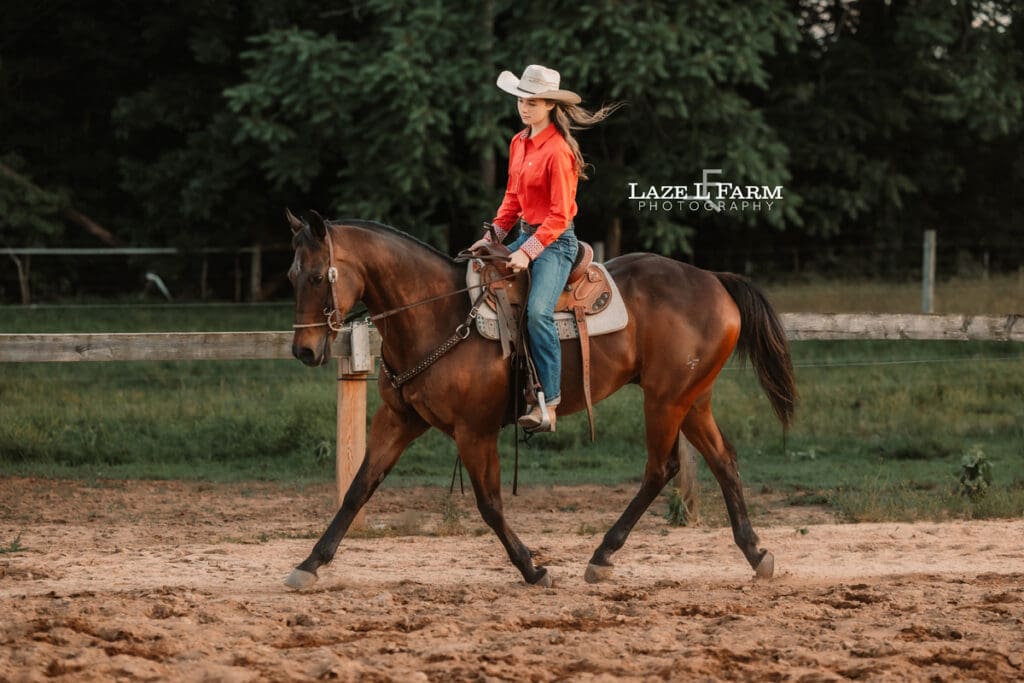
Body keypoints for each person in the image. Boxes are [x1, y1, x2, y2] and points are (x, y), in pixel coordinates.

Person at [470, 64, 619, 432]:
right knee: (479, 281)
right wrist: (492, 239)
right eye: (522, 98)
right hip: (524, 234)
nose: (525, 106)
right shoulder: (518, 143)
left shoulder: (559, 151)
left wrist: (527, 252)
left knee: (537, 312)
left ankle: (548, 402)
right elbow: (511, 202)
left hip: (556, 243)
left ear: (550, 105)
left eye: (534, 101)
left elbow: (559, 215)